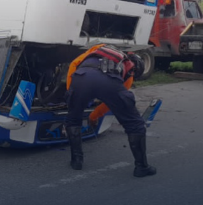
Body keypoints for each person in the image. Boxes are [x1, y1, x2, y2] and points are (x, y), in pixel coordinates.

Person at [64, 45, 156, 178]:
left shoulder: (99, 47)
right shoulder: (129, 72)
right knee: (135, 125)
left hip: (81, 77)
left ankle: (76, 161)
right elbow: (109, 104)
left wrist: (71, 91)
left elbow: (74, 63)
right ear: (135, 67)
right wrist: (94, 116)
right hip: (108, 80)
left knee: (73, 119)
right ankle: (142, 167)